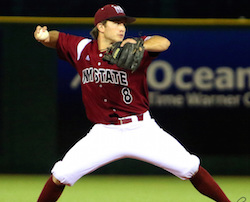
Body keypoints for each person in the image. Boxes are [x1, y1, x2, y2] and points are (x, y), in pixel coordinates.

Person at [34, 4, 230, 202]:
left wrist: (140, 45)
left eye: (124, 24)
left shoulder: (134, 45)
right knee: (61, 175)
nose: (122, 28)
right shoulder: (82, 48)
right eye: (116, 22)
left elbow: (163, 42)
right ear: (101, 27)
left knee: (190, 167)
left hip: (141, 129)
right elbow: (58, 38)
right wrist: (45, 37)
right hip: (104, 133)